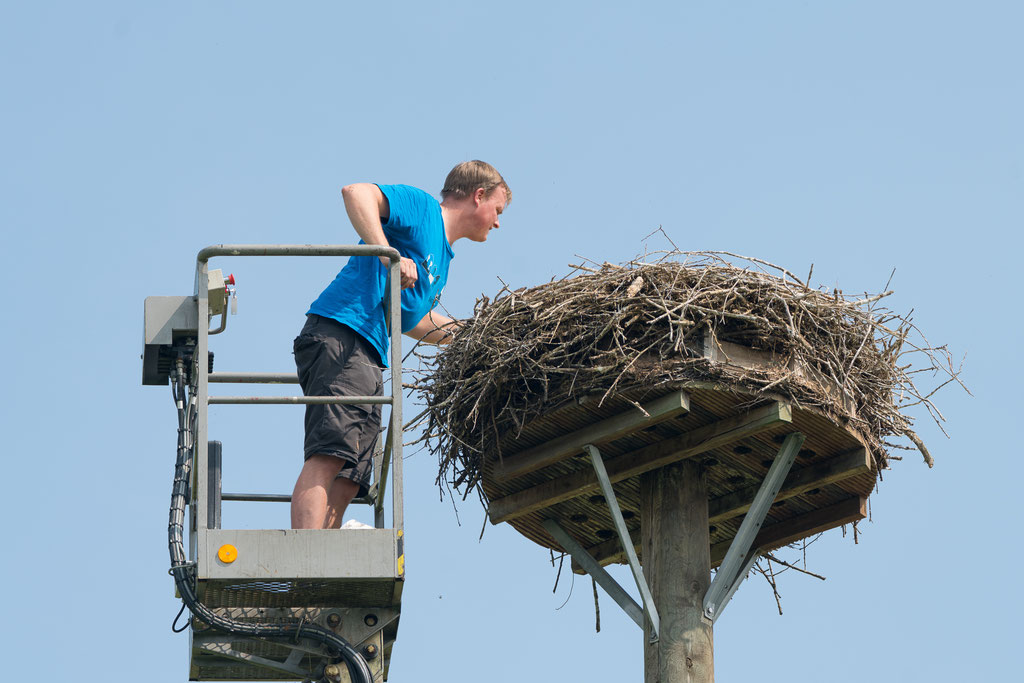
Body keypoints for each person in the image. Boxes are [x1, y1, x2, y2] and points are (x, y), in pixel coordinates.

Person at [290, 161, 510, 529]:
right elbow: (356, 193)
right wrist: (386, 253)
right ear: (478, 195)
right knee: (330, 455)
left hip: (370, 353)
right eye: (498, 210)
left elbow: (413, 321)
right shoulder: (424, 209)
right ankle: (305, 561)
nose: (498, 222)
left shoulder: (442, 259)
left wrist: (481, 335)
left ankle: (323, 561)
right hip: (343, 333)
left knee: (351, 474)